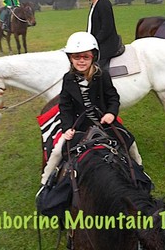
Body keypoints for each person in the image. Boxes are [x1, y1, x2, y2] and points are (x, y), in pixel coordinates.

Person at [40, 31, 142, 186]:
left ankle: (140, 171)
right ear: (70, 58)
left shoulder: (103, 75)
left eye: (85, 57)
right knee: (56, 151)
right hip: (78, 125)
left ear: (93, 57)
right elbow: (65, 106)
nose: (81, 61)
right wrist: (67, 128)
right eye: (77, 57)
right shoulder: (68, 79)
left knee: (130, 141)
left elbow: (113, 98)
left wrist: (110, 113)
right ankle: (45, 182)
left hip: (104, 122)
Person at [75, 0, 122, 68]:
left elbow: (107, 28)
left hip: (106, 46)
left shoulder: (103, 3)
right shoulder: (94, 4)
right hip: (96, 44)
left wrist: (93, 42)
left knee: (94, 70)